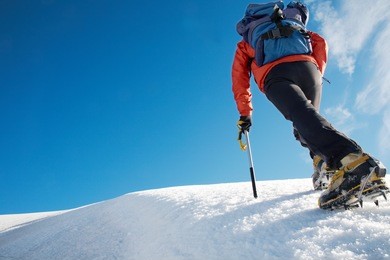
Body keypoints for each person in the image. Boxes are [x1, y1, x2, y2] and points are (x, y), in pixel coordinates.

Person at [232, 1, 388, 209]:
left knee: (302, 117)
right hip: (309, 69)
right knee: (306, 120)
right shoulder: (293, 23)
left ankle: (355, 164)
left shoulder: (248, 39)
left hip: (276, 75)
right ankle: (325, 165)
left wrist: (245, 113)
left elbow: (239, 77)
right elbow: (320, 42)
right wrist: (316, 71)